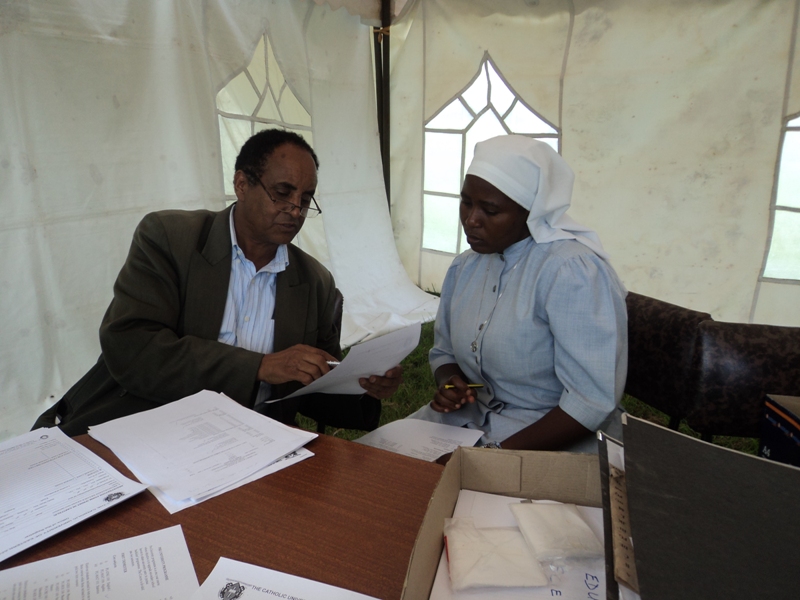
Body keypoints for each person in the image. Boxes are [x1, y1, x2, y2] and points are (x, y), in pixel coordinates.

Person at [33, 129, 402, 436]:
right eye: (283, 192)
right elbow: (131, 346)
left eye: (306, 199)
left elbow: (308, 391)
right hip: (147, 425)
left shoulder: (314, 283)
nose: (295, 210)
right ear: (242, 184)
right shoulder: (169, 238)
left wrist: (361, 387)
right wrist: (258, 366)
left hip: (252, 442)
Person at [408, 135, 627, 457]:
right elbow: (444, 351)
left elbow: (590, 401)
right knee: (370, 476)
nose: (471, 219)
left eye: (491, 210)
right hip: (468, 421)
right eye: (466, 202)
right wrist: (451, 382)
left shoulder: (570, 272)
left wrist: (491, 459)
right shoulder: (465, 267)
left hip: (551, 441)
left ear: (532, 211)